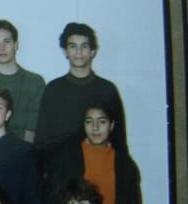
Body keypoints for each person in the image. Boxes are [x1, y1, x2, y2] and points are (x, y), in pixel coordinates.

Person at [44, 104, 142, 204]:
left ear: (112, 125)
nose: (95, 127)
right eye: (89, 122)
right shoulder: (66, 157)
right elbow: (51, 203)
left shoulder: (124, 163)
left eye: (102, 122)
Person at [35, 22, 127, 158]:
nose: (79, 52)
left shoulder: (107, 90)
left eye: (84, 46)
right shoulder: (53, 89)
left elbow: (119, 138)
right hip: (61, 165)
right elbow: (42, 139)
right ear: (65, 51)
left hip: (98, 163)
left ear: (93, 51)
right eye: (73, 46)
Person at [0, 19, 45, 143]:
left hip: (26, 151)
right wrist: (21, 121)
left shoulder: (35, 82)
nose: (2, 48)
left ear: (16, 44)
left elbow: (36, 127)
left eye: (7, 41)